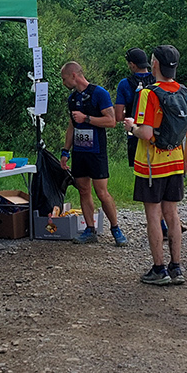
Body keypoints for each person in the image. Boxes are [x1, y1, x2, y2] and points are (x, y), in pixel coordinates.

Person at [125, 44, 187, 285]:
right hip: (175, 161)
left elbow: (145, 133)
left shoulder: (149, 94)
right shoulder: (185, 93)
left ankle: (158, 269)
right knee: (172, 214)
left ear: (155, 64)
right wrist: (185, 162)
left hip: (151, 165)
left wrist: (131, 127)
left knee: (153, 215)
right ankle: (176, 267)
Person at [59, 61, 127, 245]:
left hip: (96, 151)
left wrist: (87, 118)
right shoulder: (72, 99)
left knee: (101, 192)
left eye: (64, 79)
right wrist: (65, 151)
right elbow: (72, 126)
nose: (63, 83)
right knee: (83, 189)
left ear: (74, 75)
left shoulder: (99, 93)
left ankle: (115, 228)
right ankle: (90, 229)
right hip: (79, 151)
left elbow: (111, 121)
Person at [114, 47, 154, 167]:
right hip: (156, 132)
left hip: (134, 133)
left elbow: (118, 116)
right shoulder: (157, 80)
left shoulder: (124, 84)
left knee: (139, 170)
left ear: (132, 64)